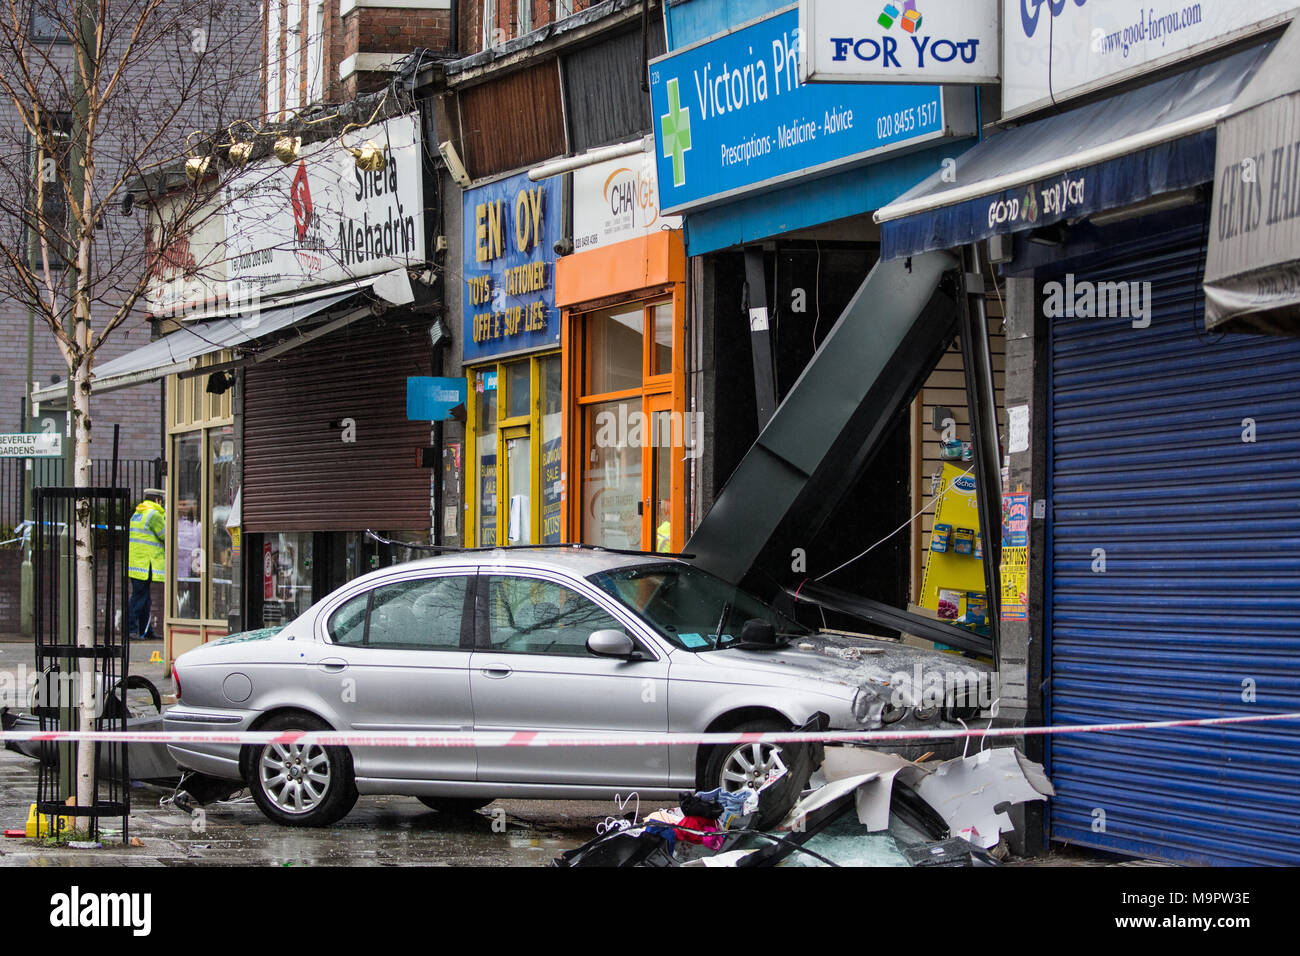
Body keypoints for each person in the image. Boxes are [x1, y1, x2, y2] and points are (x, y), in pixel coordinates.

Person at [128, 488, 166, 641]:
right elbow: (165, 534)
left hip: (137, 563)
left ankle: (145, 630)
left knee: (144, 598)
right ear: (158, 500)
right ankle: (132, 629)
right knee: (139, 599)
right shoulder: (154, 515)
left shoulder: (138, 514)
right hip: (146, 563)